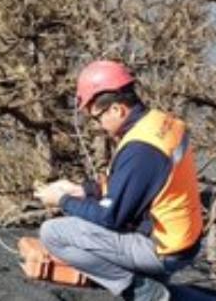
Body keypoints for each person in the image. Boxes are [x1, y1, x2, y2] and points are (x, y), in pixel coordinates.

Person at [33, 60, 204, 301]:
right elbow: (134, 186)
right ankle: (147, 278)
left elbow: (110, 218)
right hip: (181, 238)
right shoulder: (160, 123)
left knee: (53, 233)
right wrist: (82, 190)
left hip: (164, 248)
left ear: (117, 109)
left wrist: (62, 200)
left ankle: (142, 291)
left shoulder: (142, 149)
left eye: (97, 117)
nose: (99, 125)